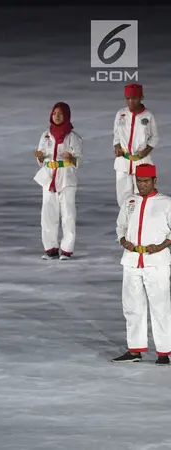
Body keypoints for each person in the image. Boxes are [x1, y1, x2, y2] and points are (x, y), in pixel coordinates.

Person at [112, 164, 171, 365]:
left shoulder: (166, 203)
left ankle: (164, 352)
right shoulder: (130, 201)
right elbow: (121, 226)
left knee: (160, 306)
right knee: (132, 306)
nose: (142, 185)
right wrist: (123, 240)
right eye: (139, 181)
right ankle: (134, 350)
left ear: (155, 181)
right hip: (131, 261)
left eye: (145, 181)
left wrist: (162, 245)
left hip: (156, 262)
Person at [33, 102, 82, 260]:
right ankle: (50, 247)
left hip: (65, 176)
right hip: (49, 177)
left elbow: (78, 160)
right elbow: (42, 155)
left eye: (60, 114)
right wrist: (40, 158)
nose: (57, 116)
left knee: (67, 214)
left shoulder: (73, 137)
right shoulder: (46, 135)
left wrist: (72, 158)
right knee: (48, 213)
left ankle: (67, 248)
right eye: (54, 113)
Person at [113, 83, 159, 207]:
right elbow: (116, 135)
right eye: (127, 98)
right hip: (123, 161)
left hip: (142, 161)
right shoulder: (121, 114)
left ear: (141, 98)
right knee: (123, 196)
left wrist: (146, 151)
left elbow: (154, 137)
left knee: (142, 196)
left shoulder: (148, 116)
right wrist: (117, 147)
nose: (131, 102)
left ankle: (141, 222)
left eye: (134, 98)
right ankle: (126, 223)